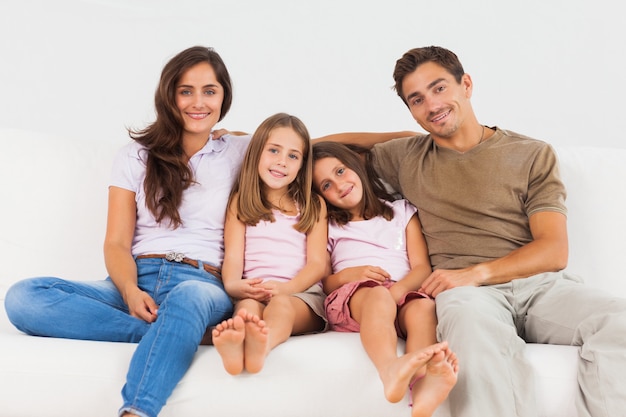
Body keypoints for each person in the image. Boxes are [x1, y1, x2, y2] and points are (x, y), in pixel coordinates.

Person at [322, 45, 626, 416]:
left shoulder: (531, 153)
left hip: (538, 286)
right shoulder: (405, 156)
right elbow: (331, 152)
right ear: (410, 112)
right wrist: (261, 145)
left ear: (466, 84)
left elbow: (553, 251)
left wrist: (477, 272)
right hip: (467, 297)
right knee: (473, 337)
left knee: (619, 321)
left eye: (439, 89)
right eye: (416, 100)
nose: (432, 106)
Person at [3, 46, 251, 417]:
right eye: (186, 91)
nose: (198, 102)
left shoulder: (241, 150)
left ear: (224, 96)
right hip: (136, 278)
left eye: (209, 91)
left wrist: (373, 135)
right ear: (169, 95)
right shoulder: (135, 155)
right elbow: (116, 243)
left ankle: (137, 410)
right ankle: (177, 334)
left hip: (202, 283)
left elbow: (309, 147)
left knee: (187, 299)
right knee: (24, 297)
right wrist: (131, 291)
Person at [311, 141, 458, 417]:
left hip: (401, 293)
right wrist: (348, 275)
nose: (339, 184)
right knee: (377, 295)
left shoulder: (401, 211)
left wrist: (398, 291)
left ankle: (423, 388)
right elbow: (323, 281)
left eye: (340, 171)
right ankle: (390, 369)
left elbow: (422, 268)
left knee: (424, 308)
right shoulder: (329, 225)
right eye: (326, 185)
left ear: (356, 165)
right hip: (356, 298)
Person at [210, 112, 328, 375]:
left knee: (281, 307)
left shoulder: (312, 204)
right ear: (256, 153)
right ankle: (236, 346)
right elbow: (233, 256)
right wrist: (233, 285)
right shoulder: (240, 201)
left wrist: (286, 289)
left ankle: (262, 347)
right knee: (247, 312)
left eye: (293, 156)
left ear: (301, 165)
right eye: (274, 150)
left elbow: (318, 264)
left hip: (301, 295)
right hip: (255, 290)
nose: (282, 162)